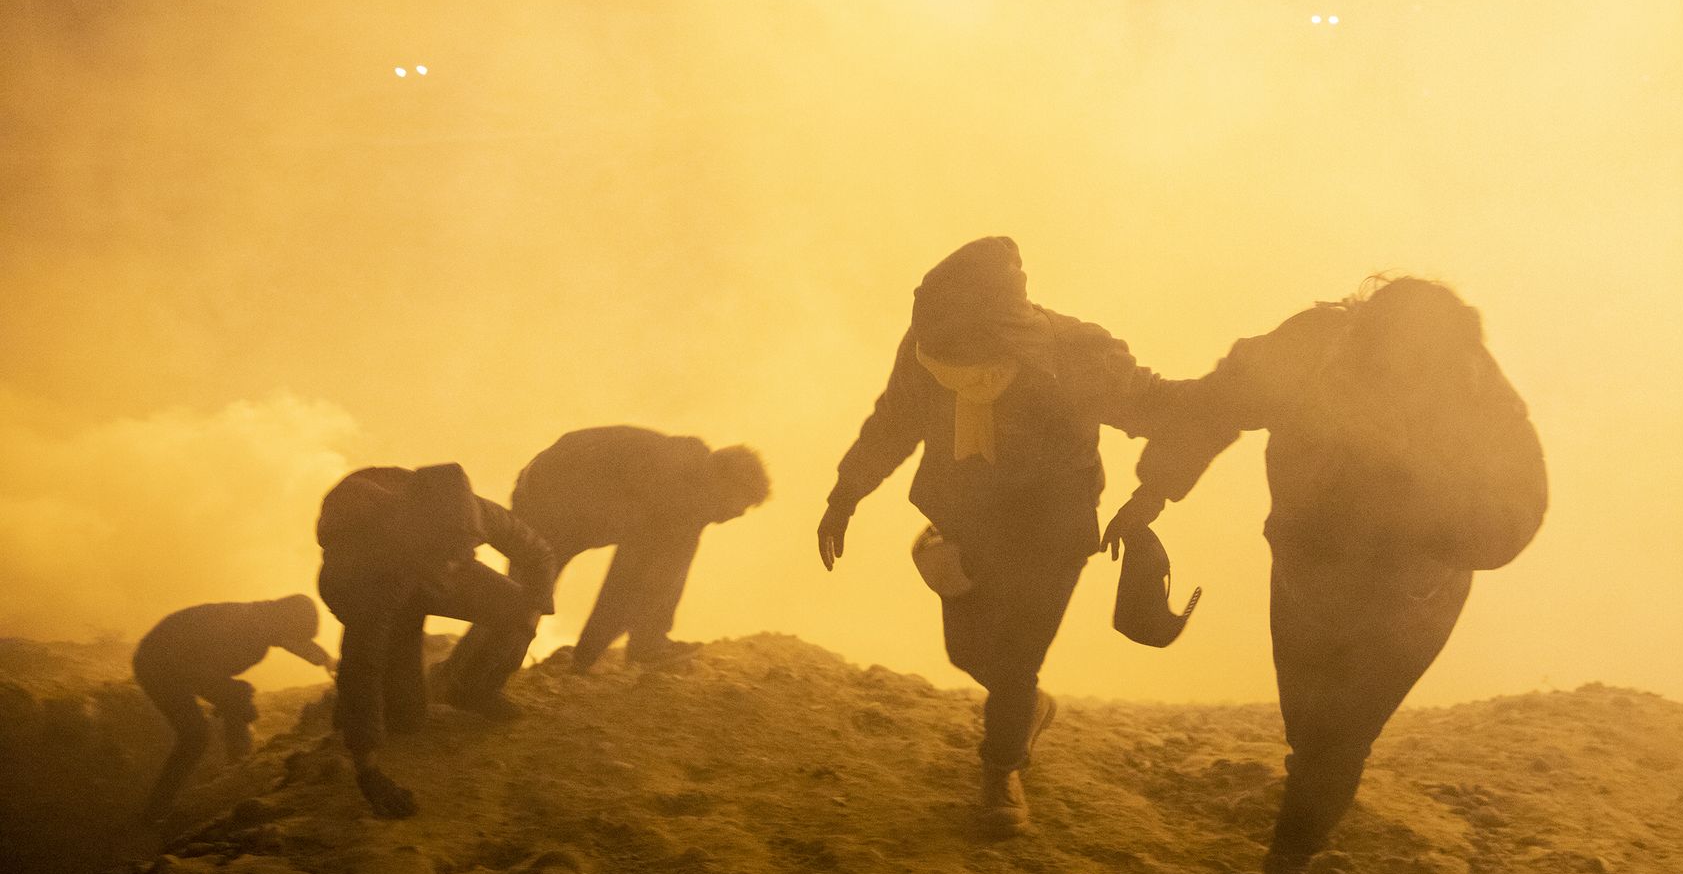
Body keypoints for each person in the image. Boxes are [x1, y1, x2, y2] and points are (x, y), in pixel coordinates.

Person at [1105, 276, 1547, 874]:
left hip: (1412, 596)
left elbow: (1516, 510)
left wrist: (1430, 508)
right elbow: (1219, 404)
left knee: (1339, 735)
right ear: (1362, 336)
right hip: (1308, 570)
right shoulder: (1311, 350)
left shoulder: (1479, 401)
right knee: (1307, 718)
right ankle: (1306, 803)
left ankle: (1288, 863)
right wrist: (1154, 492)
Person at [818, 236, 1172, 833]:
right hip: (966, 522)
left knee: (1014, 658)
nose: (940, 348)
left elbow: (1158, 408)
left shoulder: (1076, 352)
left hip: (1052, 529)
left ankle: (1000, 772)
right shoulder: (930, 347)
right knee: (968, 651)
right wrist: (844, 494)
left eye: (955, 337)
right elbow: (894, 422)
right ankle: (1028, 710)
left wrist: (1153, 492)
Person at [315, 463, 556, 818]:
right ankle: (351, 712)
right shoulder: (379, 569)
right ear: (423, 540)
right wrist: (367, 768)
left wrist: (534, 608)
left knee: (518, 607)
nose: (452, 567)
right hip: (366, 583)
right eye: (445, 555)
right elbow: (362, 659)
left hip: (416, 568)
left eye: (465, 551)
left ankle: (473, 689)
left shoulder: (476, 515)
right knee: (406, 720)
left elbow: (539, 554)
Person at [446, 427, 769, 678]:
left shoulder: (687, 475)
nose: (732, 517)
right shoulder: (677, 493)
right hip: (550, 505)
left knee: (522, 597)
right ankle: (460, 679)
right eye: (738, 506)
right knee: (524, 600)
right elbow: (630, 580)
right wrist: (588, 656)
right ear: (724, 483)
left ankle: (463, 676)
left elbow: (660, 569)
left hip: (552, 487)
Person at [132, 595, 334, 820]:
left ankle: (235, 775)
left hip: (177, 660)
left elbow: (294, 641)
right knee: (196, 735)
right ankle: (156, 812)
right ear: (285, 623)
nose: (293, 640)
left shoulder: (268, 621)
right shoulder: (245, 629)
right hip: (158, 663)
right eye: (294, 633)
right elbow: (196, 670)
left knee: (235, 703)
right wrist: (230, 691)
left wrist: (326, 661)